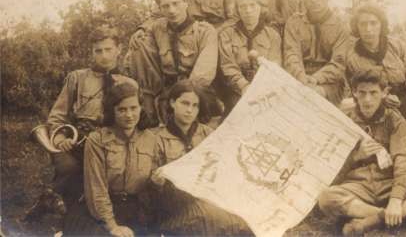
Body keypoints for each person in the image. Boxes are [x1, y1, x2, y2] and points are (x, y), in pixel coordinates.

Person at [26, 25, 138, 220]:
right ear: (92, 52)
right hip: (76, 143)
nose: (104, 55)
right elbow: (57, 116)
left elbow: (133, 118)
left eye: (108, 49)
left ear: (119, 49)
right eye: (98, 51)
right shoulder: (77, 78)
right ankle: (63, 207)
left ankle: (53, 197)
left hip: (110, 143)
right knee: (70, 168)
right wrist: (60, 139)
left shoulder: (129, 84)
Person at [318, 69, 406, 235]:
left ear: (384, 93)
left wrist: (396, 198)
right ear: (354, 92)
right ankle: (400, 216)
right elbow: (330, 166)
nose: (367, 100)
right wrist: (355, 157)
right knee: (326, 198)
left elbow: (405, 163)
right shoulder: (344, 119)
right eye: (361, 93)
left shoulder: (395, 120)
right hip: (358, 186)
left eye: (373, 93)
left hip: (389, 183)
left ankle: (371, 221)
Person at [151, 80, 252, 235]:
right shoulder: (157, 139)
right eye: (185, 103)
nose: (189, 110)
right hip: (177, 207)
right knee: (209, 217)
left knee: (244, 218)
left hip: (210, 197)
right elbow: (154, 192)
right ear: (172, 103)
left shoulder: (208, 133)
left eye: (195, 105)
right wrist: (157, 183)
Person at [63, 82, 159, 236]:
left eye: (133, 108)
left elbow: (153, 183)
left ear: (141, 108)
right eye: (122, 109)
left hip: (137, 209)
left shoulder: (151, 139)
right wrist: (112, 226)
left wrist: (157, 181)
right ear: (111, 111)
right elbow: (96, 189)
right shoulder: (97, 140)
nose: (129, 115)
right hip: (100, 211)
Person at [127, 0, 219, 127]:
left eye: (176, 3)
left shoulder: (205, 31)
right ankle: (150, 107)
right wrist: (140, 31)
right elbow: (138, 56)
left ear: (185, 3)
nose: (171, 10)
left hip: (197, 92)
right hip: (167, 92)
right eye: (166, 6)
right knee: (139, 44)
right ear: (160, 9)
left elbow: (203, 75)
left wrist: (181, 100)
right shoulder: (156, 28)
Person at [345, 4, 406, 119]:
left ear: (381, 25)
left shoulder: (397, 46)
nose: (368, 29)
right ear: (356, 27)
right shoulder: (351, 56)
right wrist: (381, 98)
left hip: (405, 102)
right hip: (372, 106)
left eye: (373, 23)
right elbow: (352, 92)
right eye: (363, 24)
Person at [284, 0, 350, 106]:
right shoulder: (294, 22)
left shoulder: (341, 25)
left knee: (315, 97)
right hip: (299, 78)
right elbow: (291, 55)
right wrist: (301, 78)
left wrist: (315, 79)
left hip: (329, 82)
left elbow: (338, 63)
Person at [219, 0, 282, 112]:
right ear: (237, 10)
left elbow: (274, 66)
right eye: (243, 6)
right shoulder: (227, 34)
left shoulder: (272, 35)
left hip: (265, 87)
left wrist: (261, 88)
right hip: (236, 89)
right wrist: (243, 86)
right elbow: (228, 65)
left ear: (261, 7)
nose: (248, 11)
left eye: (252, 5)